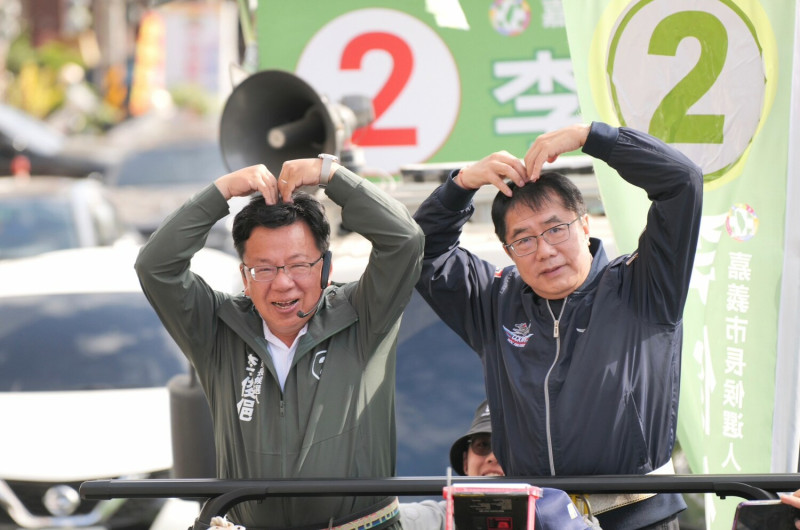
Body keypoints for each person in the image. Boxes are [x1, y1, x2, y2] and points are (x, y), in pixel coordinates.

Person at [413, 122, 703, 530]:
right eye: (524, 240)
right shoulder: (494, 302)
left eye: (555, 228)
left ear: (585, 224)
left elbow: (682, 183)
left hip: (638, 518)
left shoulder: (644, 287)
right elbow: (422, 251)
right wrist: (460, 185)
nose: (544, 250)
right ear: (508, 250)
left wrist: (591, 138)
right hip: (533, 520)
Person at [135, 156, 424, 530]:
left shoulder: (363, 314)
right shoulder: (217, 328)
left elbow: (405, 240)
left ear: (327, 266)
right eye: (265, 269)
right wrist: (220, 193)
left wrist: (331, 175)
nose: (283, 284)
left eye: (299, 265)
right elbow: (155, 267)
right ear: (245, 274)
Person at [399, 400, 601, 529]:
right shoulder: (439, 518)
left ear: (529, 462)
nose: (493, 457)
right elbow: (391, 520)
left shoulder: (567, 515)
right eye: (482, 445)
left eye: (507, 447)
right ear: (465, 463)